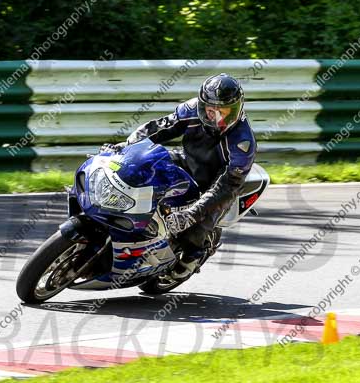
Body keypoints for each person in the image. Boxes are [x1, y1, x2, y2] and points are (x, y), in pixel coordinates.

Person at [110, 73, 257, 279]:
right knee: (142, 167)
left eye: (224, 111)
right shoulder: (190, 110)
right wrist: (125, 146)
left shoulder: (243, 142)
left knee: (195, 230)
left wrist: (192, 213)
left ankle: (192, 258)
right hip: (188, 161)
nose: (217, 117)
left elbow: (229, 184)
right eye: (211, 110)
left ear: (237, 108)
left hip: (217, 184)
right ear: (202, 105)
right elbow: (159, 128)